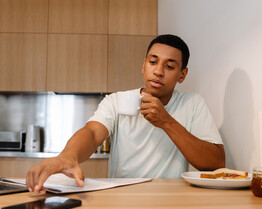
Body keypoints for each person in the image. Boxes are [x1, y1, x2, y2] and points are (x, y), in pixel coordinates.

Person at [26, 34, 225, 194]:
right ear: (143, 65)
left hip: (170, 196)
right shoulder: (116, 100)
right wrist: (67, 156)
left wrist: (166, 122)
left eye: (170, 66)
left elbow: (215, 163)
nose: (158, 71)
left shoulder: (192, 103)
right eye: (153, 62)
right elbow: (93, 133)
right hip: (122, 194)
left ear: (182, 74)